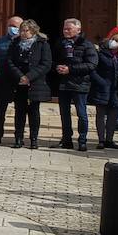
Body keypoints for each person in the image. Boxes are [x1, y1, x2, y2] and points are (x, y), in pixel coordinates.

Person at [7, 19, 52, 150]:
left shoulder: (42, 44)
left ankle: (33, 139)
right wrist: (20, 76)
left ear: (33, 31)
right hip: (19, 81)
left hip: (35, 82)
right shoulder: (15, 43)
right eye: (21, 30)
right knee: (19, 111)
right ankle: (18, 138)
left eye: (25, 31)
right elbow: (10, 61)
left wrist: (29, 77)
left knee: (34, 112)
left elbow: (46, 64)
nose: (22, 33)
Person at [52, 18, 96, 152]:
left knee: (81, 113)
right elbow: (52, 60)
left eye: (69, 29)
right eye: (64, 29)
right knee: (64, 113)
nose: (65, 31)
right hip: (63, 83)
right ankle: (66, 139)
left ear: (78, 29)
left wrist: (71, 69)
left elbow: (91, 64)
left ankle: (82, 140)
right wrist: (57, 67)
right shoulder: (60, 43)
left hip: (80, 83)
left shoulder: (87, 45)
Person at [90, 34, 118, 150]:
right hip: (102, 88)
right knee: (100, 115)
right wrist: (101, 82)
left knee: (113, 115)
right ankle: (101, 140)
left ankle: (109, 140)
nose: (114, 42)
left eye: (117, 41)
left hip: (116, 90)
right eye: (113, 39)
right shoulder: (101, 54)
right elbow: (93, 70)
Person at [0, 15, 24, 145]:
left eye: (15, 26)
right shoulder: (0, 42)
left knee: (20, 110)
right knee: (0, 111)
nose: (12, 28)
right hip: (1, 81)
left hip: (18, 81)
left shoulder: (24, 42)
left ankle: (18, 137)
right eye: (10, 26)